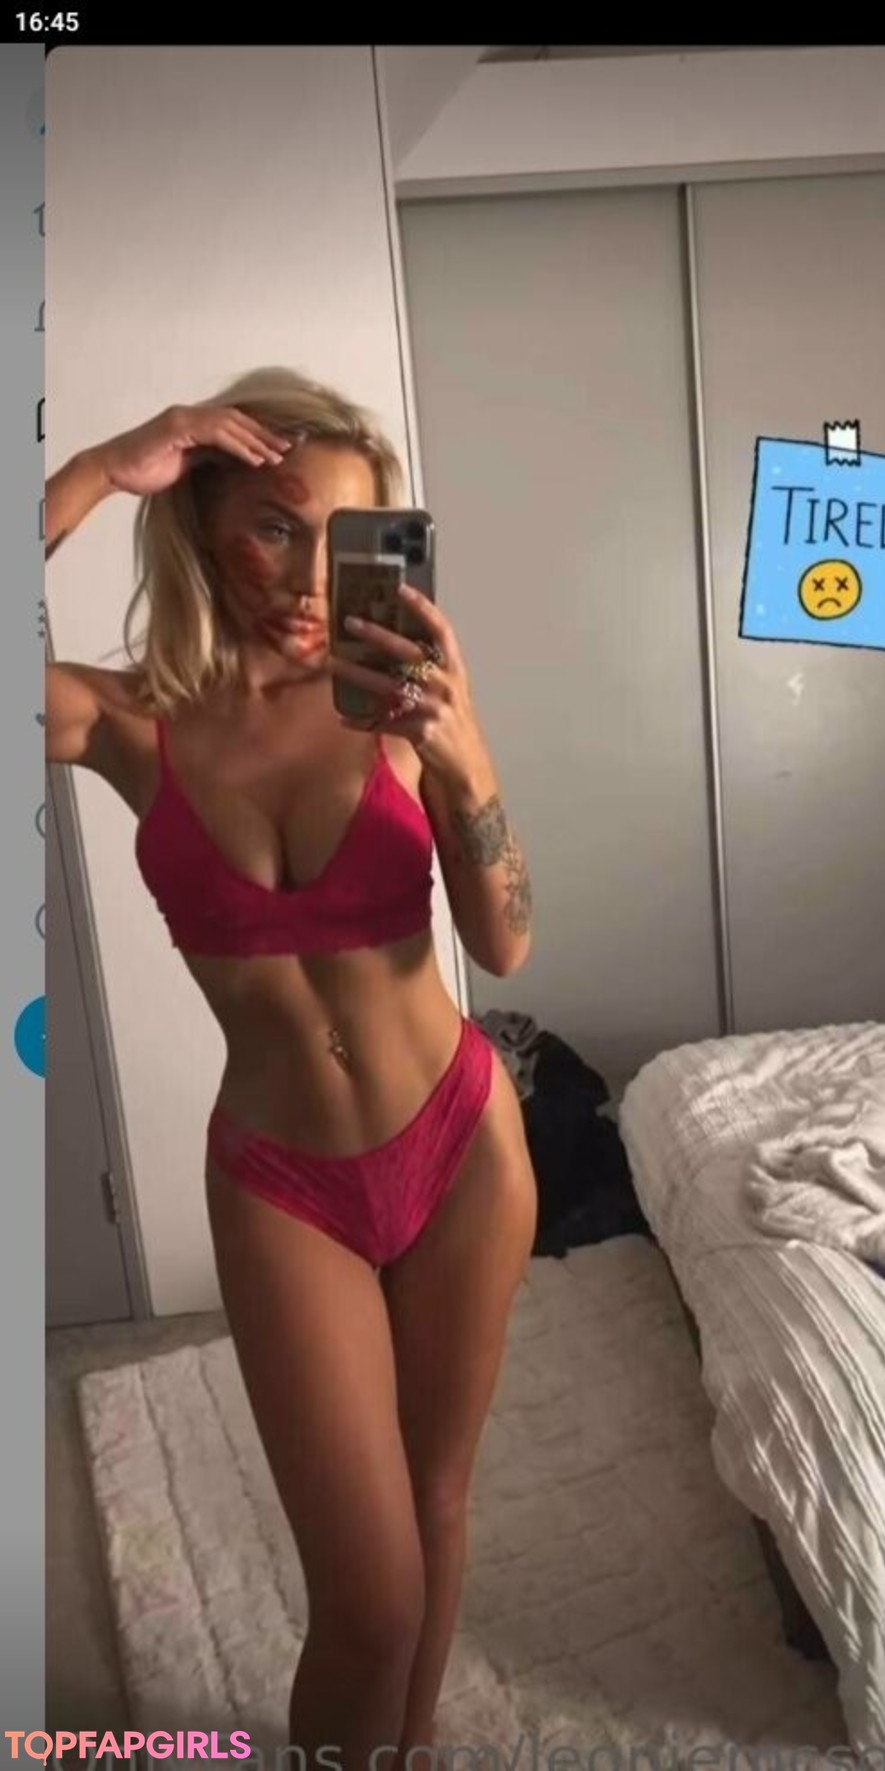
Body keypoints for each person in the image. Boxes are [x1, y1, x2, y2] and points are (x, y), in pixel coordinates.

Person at [44, 368, 539, 1770]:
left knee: (436, 1503)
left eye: (345, 537)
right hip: (283, 1183)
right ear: (203, 522)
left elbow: (504, 943)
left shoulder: (402, 705)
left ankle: (412, 1749)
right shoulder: (130, 721)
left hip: (460, 1144)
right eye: (273, 526)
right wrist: (103, 462)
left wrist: (464, 759)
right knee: (368, 1599)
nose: (313, 576)